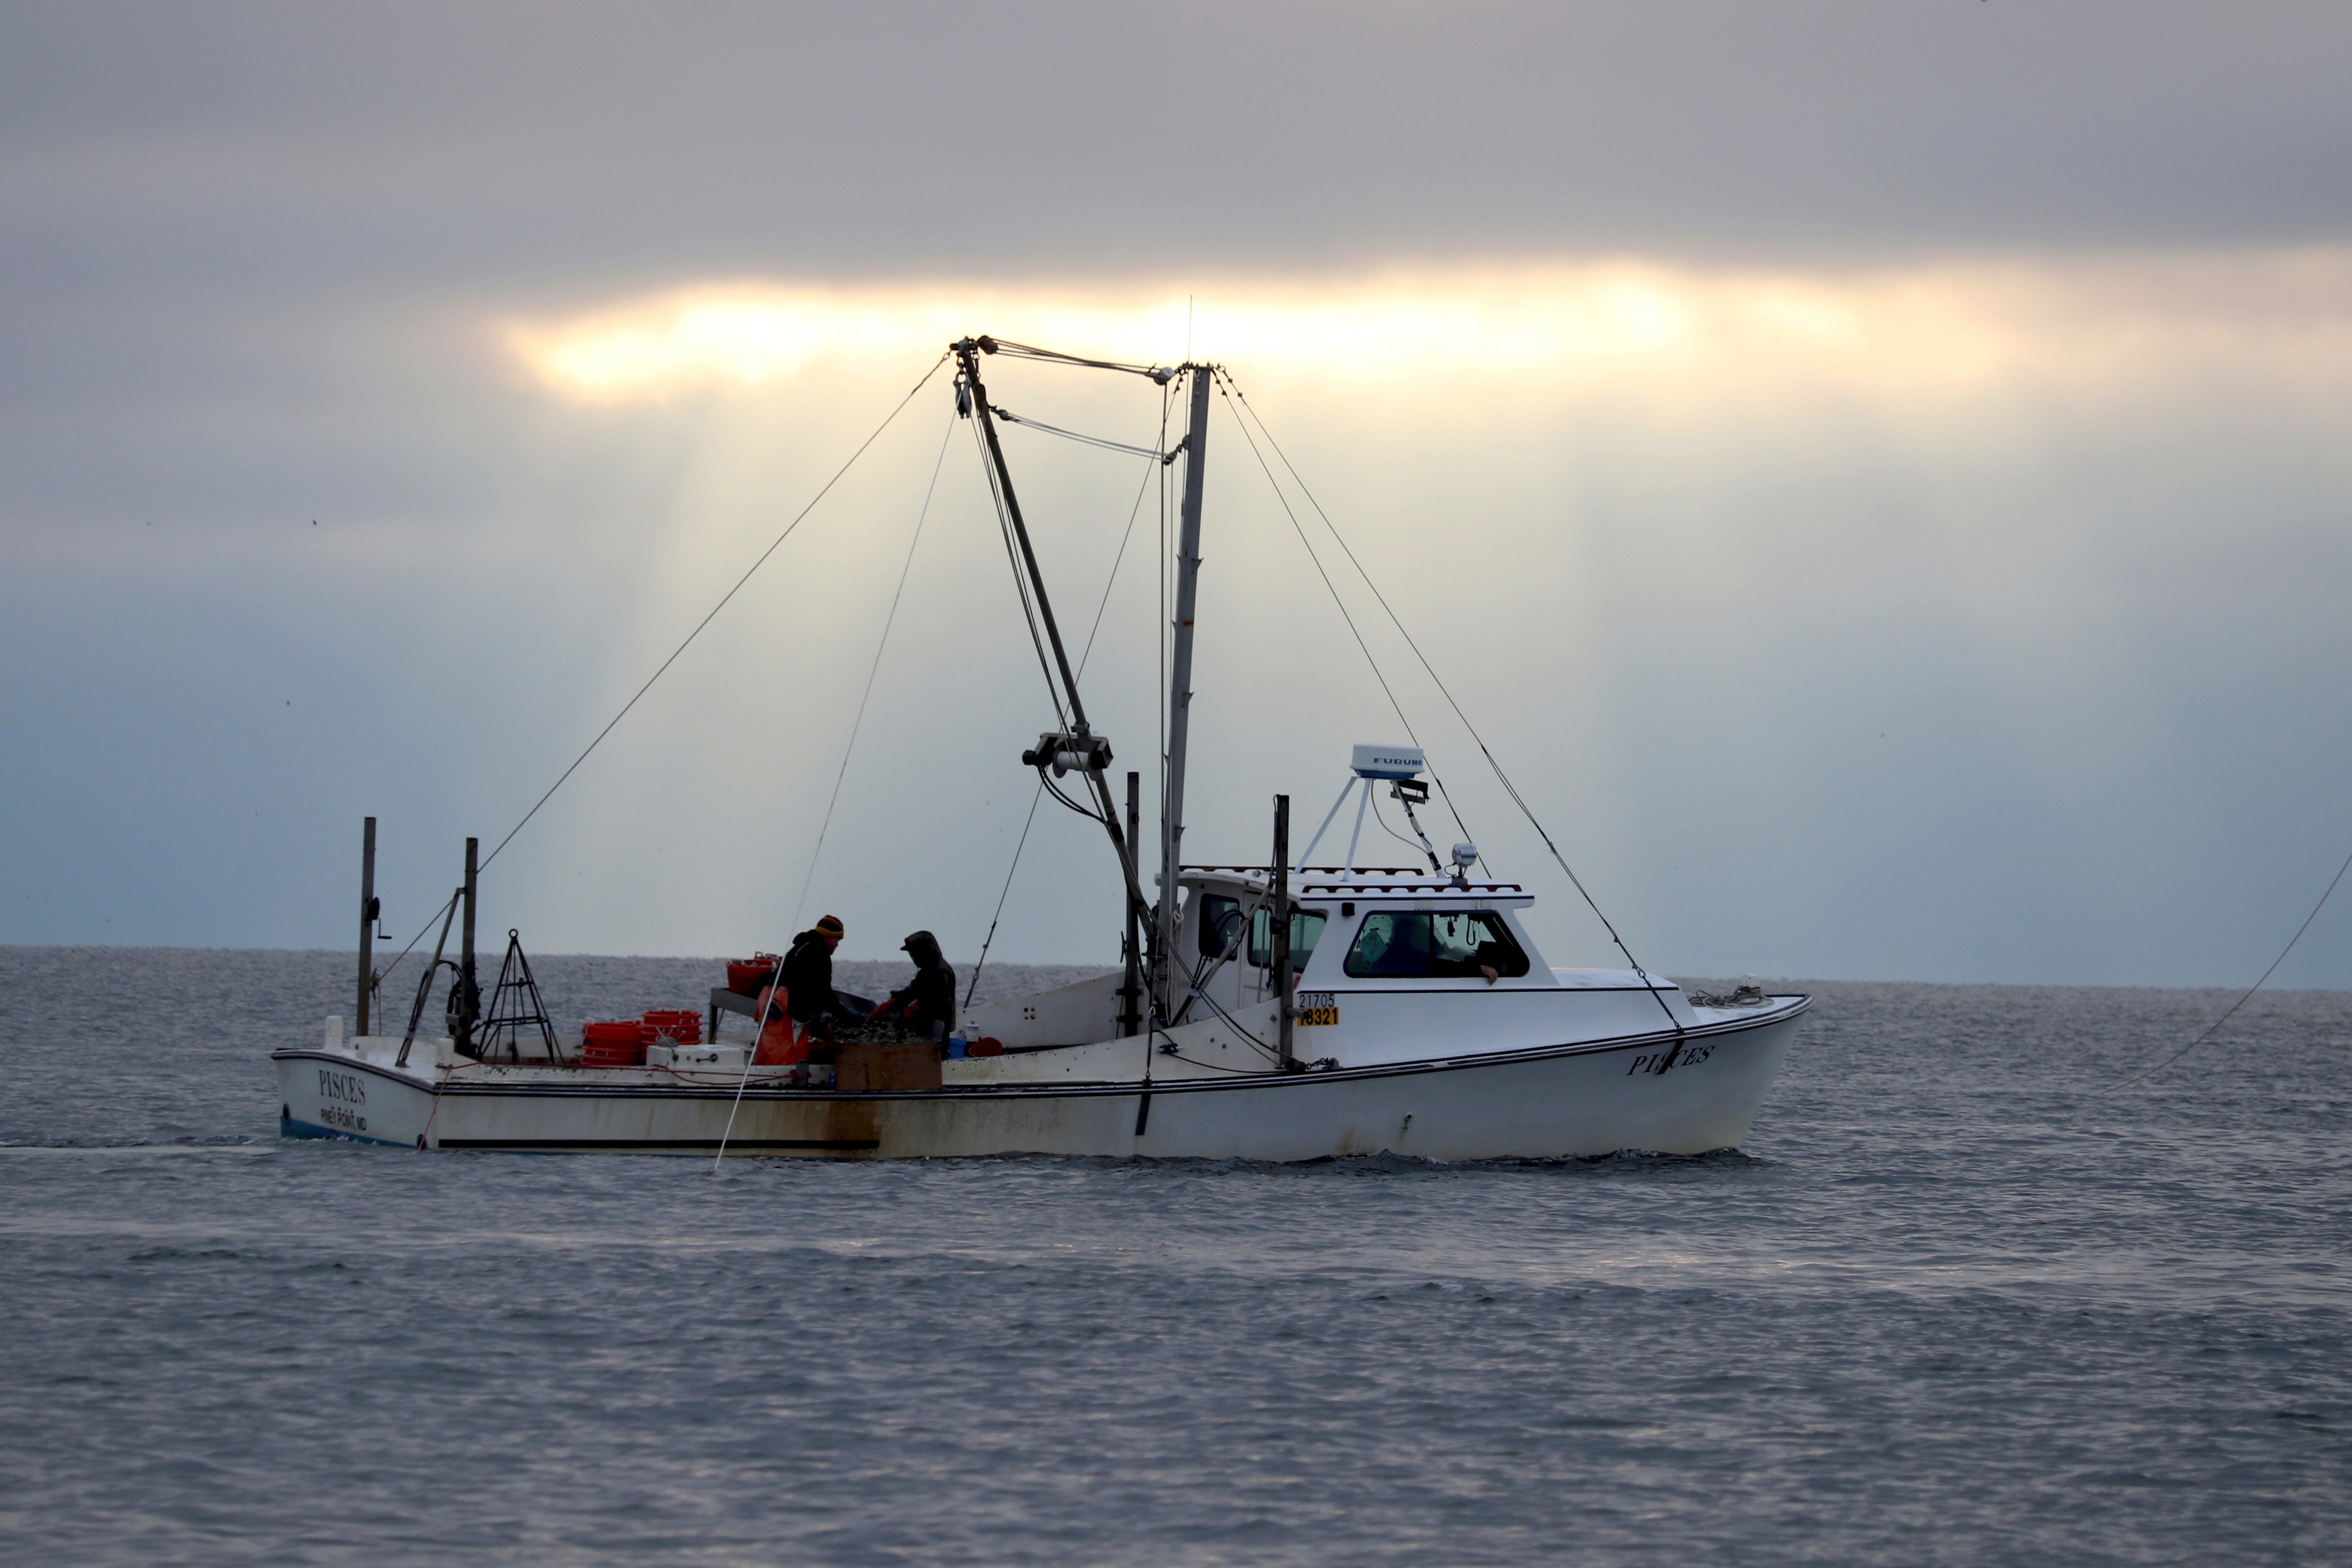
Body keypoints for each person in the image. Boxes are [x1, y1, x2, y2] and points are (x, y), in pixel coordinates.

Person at [871, 929, 957, 1042]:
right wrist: (891, 1003)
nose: (914, 958)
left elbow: (938, 1008)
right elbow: (911, 992)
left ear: (924, 952)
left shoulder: (940, 972)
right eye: (912, 955)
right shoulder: (929, 970)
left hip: (936, 1038)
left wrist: (914, 1011)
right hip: (927, 1031)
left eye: (915, 954)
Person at [780, 915, 859, 1029]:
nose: (837, 945)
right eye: (836, 939)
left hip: (781, 1009)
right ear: (827, 936)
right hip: (795, 1015)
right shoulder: (819, 954)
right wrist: (844, 1013)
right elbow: (823, 993)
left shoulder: (799, 947)